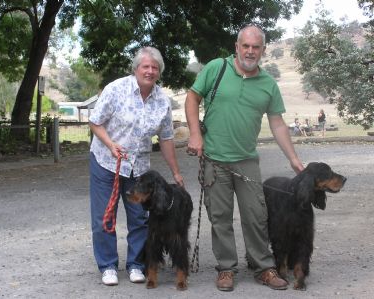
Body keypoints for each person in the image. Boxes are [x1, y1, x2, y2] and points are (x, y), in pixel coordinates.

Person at [185, 25, 304, 292]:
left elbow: (278, 124)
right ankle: (226, 269)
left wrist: (294, 160)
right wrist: (195, 134)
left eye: (256, 47)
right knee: (220, 218)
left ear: (262, 50)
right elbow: (192, 98)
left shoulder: (268, 84)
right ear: (237, 46)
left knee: (256, 216)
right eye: (246, 46)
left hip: (247, 160)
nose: (250, 51)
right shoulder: (217, 68)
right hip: (214, 158)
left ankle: (264, 267)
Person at [89, 46, 184, 286]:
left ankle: (136, 264)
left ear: (159, 72)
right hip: (106, 162)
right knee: (104, 217)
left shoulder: (162, 100)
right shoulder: (116, 89)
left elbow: (166, 138)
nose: (150, 71)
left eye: (155, 68)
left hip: (138, 167)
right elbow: (95, 122)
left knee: (141, 218)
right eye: (146, 66)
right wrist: (111, 145)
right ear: (136, 69)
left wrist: (175, 171)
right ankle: (108, 265)